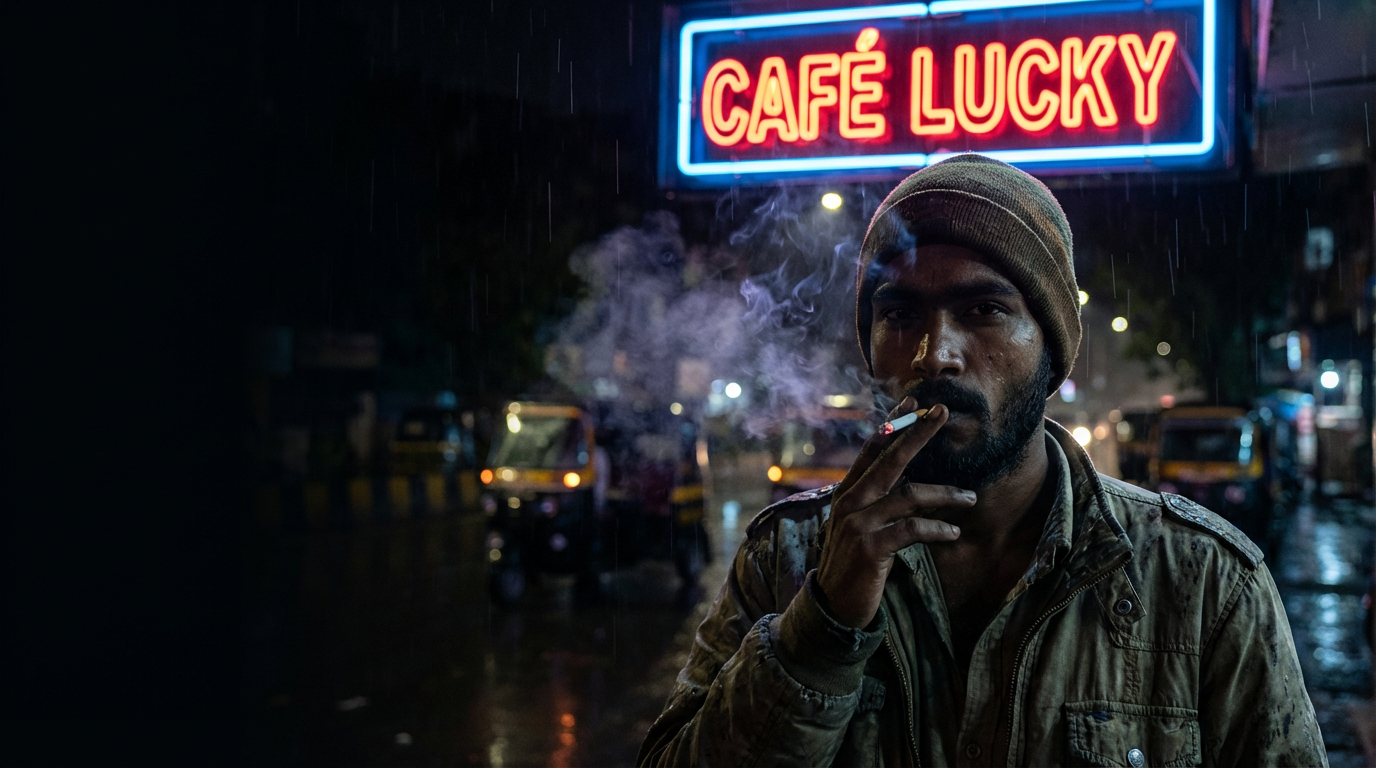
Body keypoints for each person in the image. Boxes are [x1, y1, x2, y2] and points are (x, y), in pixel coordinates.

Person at [637, 154, 1326, 767]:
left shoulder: (1204, 582)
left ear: (1051, 351)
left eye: (984, 310)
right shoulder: (788, 558)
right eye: (900, 314)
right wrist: (819, 630)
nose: (934, 354)